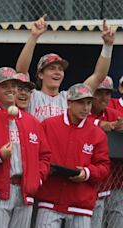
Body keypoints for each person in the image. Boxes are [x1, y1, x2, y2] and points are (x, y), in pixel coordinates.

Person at [0, 67, 51, 228]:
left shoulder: (32, 122)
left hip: (24, 191)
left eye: (14, 85)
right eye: (5, 86)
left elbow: (44, 156)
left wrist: (38, 178)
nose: (11, 89)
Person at [35, 83, 110, 228]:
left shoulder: (97, 134)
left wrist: (87, 172)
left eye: (89, 103)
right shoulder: (48, 125)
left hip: (80, 202)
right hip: (50, 199)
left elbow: (104, 167)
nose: (86, 107)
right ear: (69, 103)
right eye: (81, 102)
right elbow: (37, 157)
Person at [16, 16, 115, 122]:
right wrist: (34, 36)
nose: (57, 72)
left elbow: (98, 76)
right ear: (40, 74)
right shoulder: (32, 95)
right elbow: (21, 71)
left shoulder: (69, 97)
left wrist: (107, 46)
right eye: (52, 68)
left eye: (60, 69)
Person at [87, 76, 123, 228]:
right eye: (99, 92)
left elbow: (118, 122)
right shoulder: (81, 109)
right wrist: (100, 124)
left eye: (108, 93)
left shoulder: (112, 113)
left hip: (111, 184)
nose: (104, 98)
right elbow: (79, 121)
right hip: (86, 185)